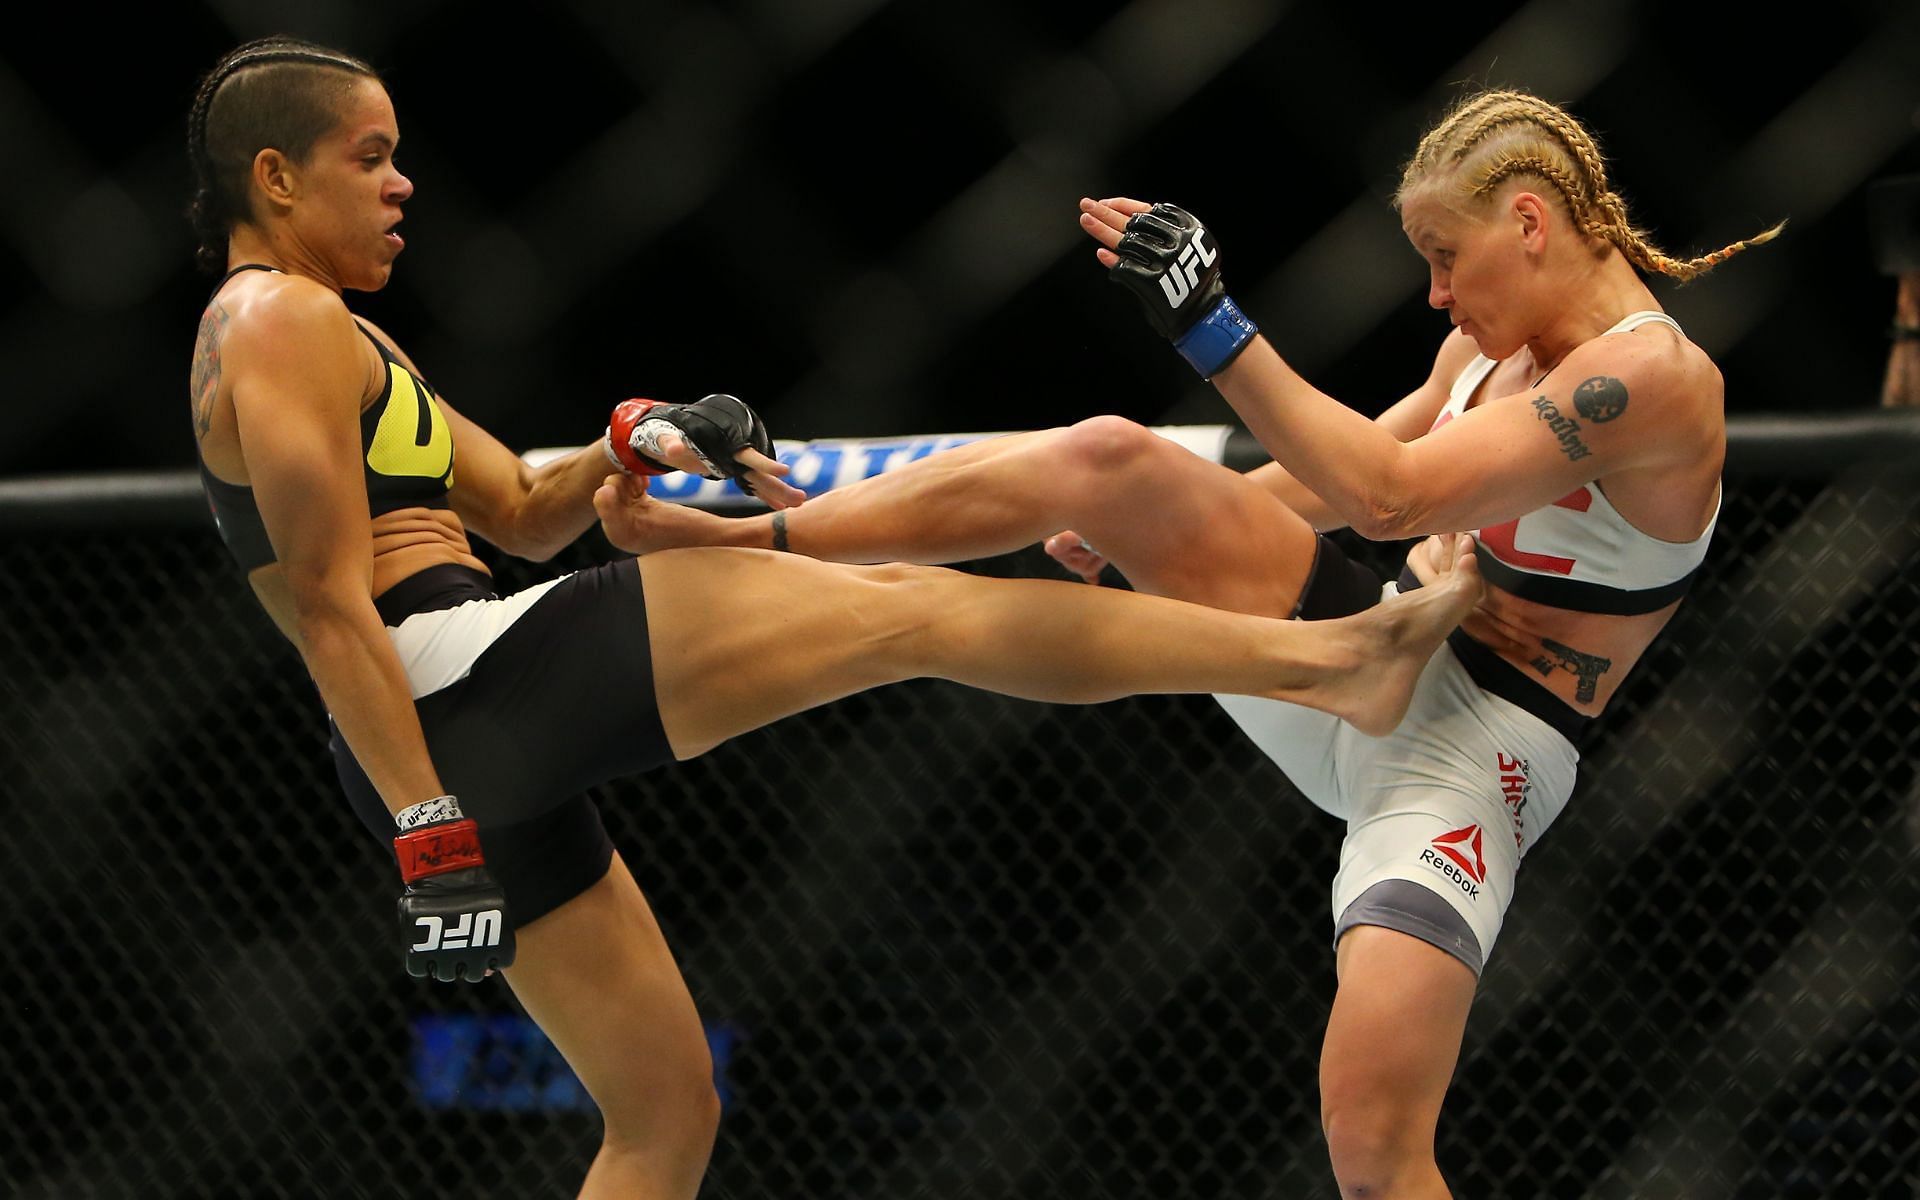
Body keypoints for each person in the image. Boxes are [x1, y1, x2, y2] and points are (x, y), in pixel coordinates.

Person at [184, 37, 1483, 1200]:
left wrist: (635, 434)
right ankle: (1333, 658)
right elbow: (324, 600)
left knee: (664, 1116)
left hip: (450, 711)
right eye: (370, 157)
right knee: (915, 612)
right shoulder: (275, 318)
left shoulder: (350, 340)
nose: (404, 184)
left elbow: (523, 509)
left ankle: (1337, 660)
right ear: (277, 180)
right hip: (442, 698)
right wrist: (429, 832)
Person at [598, 88, 1782, 1198]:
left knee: (1372, 1144)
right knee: (1108, 458)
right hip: (1351, 648)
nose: (1433, 297)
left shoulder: (1658, 379)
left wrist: (1216, 326)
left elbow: (1389, 497)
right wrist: (1149, 526)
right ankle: (745, 533)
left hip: (1476, 747)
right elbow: (1332, 482)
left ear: (1528, 221)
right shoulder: (1482, 354)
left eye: (1442, 259)